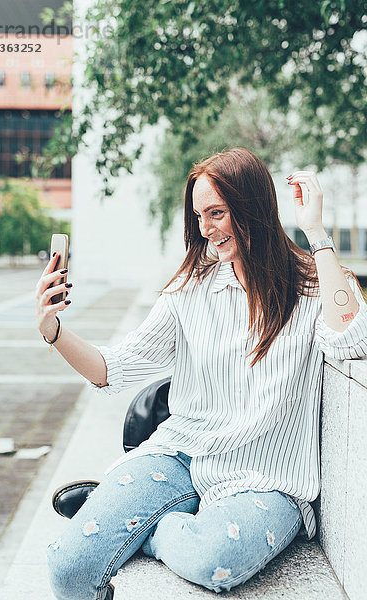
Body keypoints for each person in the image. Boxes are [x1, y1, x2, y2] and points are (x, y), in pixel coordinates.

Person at [36, 147, 367, 600]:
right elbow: (110, 369)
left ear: (253, 209)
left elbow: (352, 340)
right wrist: (53, 330)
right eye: (198, 216)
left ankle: (144, 524)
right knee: (67, 567)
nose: (205, 229)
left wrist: (316, 233)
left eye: (217, 213)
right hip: (180, 456)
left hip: (266, 477)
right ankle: (130, 511)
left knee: (213, 560)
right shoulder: (190, 289)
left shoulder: (311, 287)